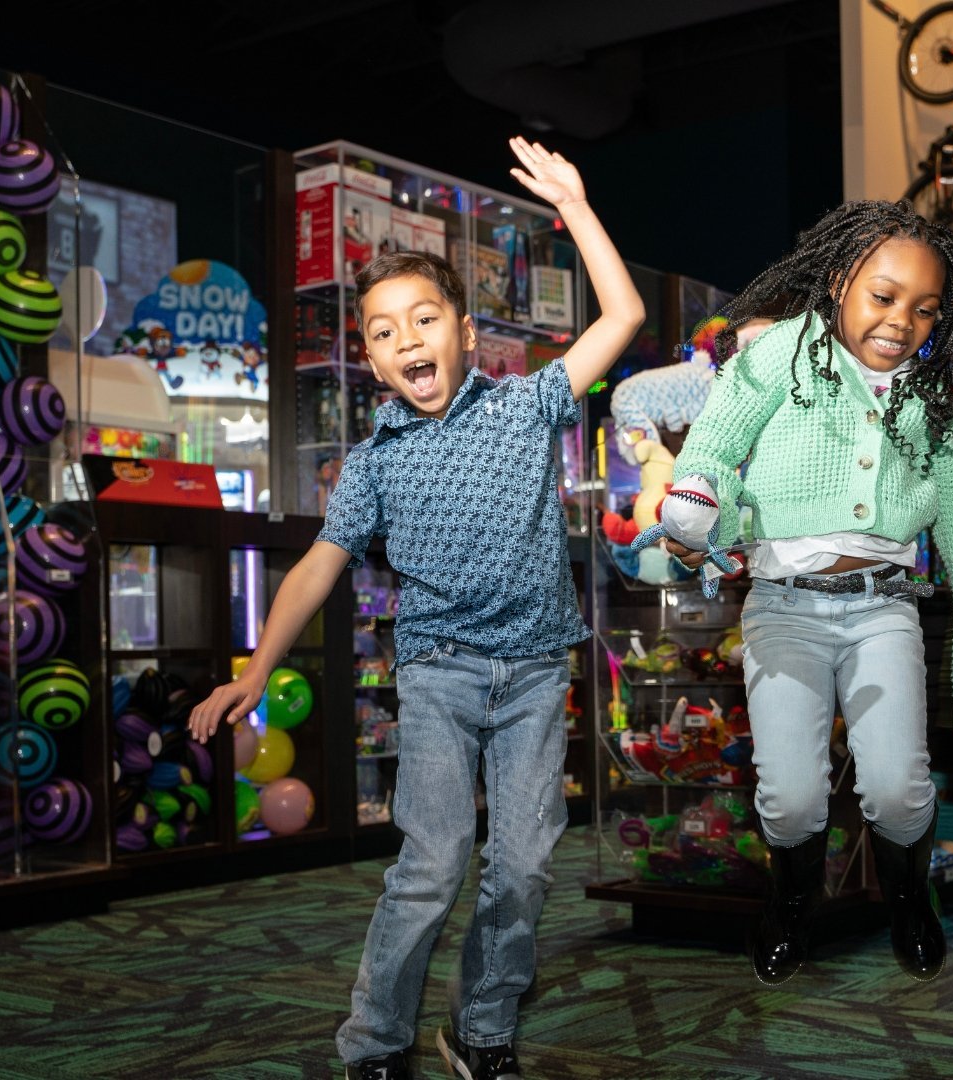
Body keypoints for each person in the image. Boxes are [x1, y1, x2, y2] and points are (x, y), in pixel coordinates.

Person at [188, 138, 643, 1080]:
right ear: (369, 358)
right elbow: (317, 568)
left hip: (530, 678)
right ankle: (375, 1044)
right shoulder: (375, 462)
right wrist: (258, 665)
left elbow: (624, 313)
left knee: (522, 868)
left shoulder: (526, 408)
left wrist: (576, 205)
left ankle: (480, 1030)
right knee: (433, 865)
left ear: (465, 334)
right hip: (437, 676)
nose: (407, 341)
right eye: (386, 332)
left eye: (425, 319)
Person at [653, 200, 953, 986]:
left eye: (923, 309)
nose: (900, 322)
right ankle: (790, 901)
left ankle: (910, 897)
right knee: (790, 798)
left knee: (897, 786)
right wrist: (696, 495)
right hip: (783, 606)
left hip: (885, 606)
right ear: (841, 279)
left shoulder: (931, 397)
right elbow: (713, 444)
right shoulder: (781, 351)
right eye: (883, 297)